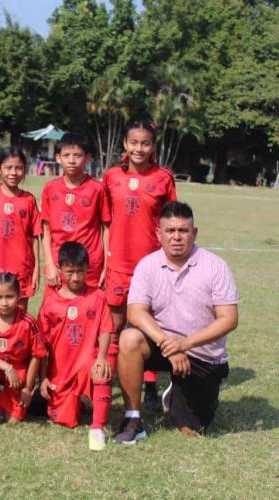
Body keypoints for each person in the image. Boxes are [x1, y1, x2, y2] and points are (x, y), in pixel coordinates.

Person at [114, 201, 238, 444]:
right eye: (170, 231)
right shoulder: (147, 265)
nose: (177, 237)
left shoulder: (216, 266)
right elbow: (135, 312)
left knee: (191, 430)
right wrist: (168, 344)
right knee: (130, 338)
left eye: (183, 230)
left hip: (201, 354)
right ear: (158, 234)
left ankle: (176, 393)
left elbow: (229, 319)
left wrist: (186, 343)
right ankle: (132, 418)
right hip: (164, 345)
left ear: (195, 233)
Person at [102, 119, 177, 411]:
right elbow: (104, 223)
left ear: (153, 146)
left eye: (145, 143)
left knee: (147, 324)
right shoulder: (110, 177)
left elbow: (171, 222)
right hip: (118, 264)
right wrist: (106, 260)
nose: (139, 148)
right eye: (134, 142)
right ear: (125, 144)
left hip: (150, 267)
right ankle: (105, 383)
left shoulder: (164, 177)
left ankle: (150, 386)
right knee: (114, 325)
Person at [38, 242, 114, 451]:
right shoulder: (51, 302)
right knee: (64, 420)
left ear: (88, 268)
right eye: (69, 271)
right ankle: (77, 401)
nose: (75, 277)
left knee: (102, 372)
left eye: (80, 271)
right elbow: (41, 346)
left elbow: (106, 329)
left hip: (86, 363)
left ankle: (97, 428)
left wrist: (102, 358)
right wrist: (42, 377)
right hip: (60, 372)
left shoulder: (97, 297)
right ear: (60, 269)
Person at [0, 273, 47, 434]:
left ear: (19, 296)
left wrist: (28, 388)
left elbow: (36, 356)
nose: (4, 303)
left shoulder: (28, 322)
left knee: (12, 421)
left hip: (19, 372)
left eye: (9, 296)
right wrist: (7, 368)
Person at [0, 146, 41, 310]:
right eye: (8, 168)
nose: (13, 173)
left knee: (19, 317)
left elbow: (35, 236)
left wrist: (37, 268)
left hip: (22, 268)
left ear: (24, 170)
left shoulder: (29, 200)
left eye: (18, 168)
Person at [41, 132, 110, 290]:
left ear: (88, 158)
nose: (71, 160)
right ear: (58, 158)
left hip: (89, 266)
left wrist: (106, 267)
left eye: (78, 155)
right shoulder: (50, 188)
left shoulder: (97, 189)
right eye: (66, 155)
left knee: (88, 311)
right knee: (56, 312)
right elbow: (45, 229)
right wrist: (50, 264)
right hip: (59, 267)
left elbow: (106, 229)